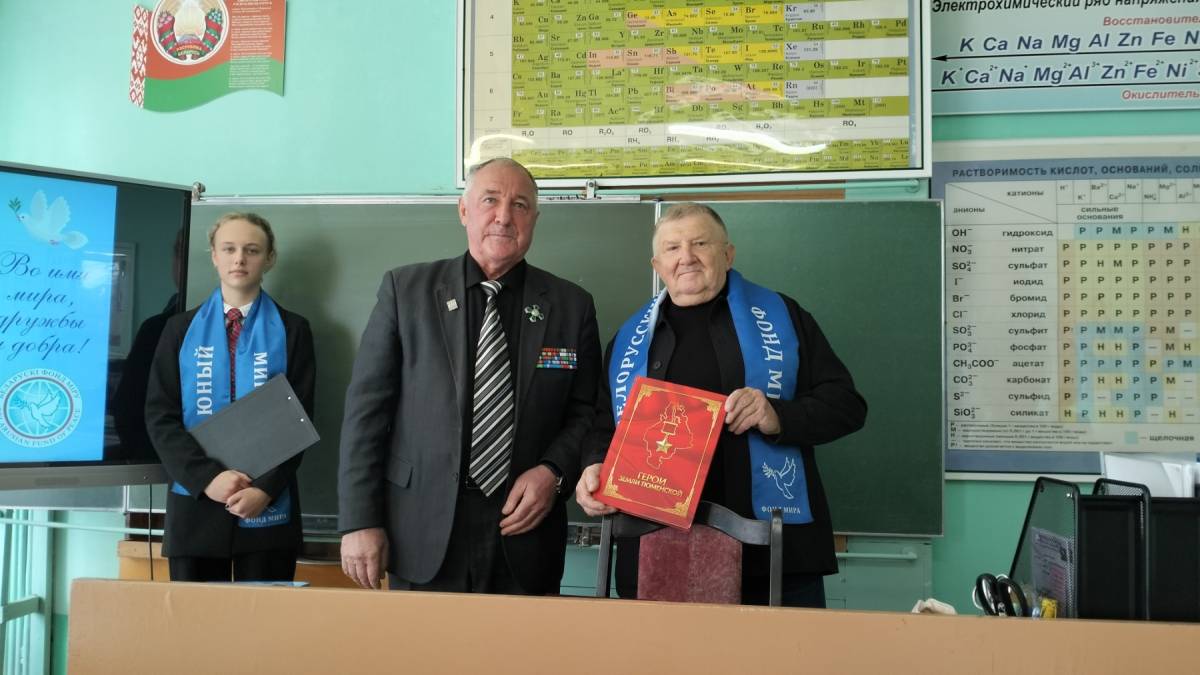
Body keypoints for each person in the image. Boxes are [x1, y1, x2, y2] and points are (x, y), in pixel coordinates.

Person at [575, 203, 867, 607]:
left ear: (728, 254)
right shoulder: (628, 340)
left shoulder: (784, 317)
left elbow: (847, 405)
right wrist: (594, 466)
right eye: (673, 248)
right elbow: (604, 425)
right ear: (658, 265)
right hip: (652, 552)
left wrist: (777, 415)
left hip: (772, 558)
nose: (686, 257)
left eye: (700, 243)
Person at [338, 158, 600, 594]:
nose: (504, 216)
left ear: (534, 219)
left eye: (520, 205)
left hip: (525, 533)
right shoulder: (406, 291)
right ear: (464, 211)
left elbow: (585, 411)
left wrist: (554, 472)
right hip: (418, 530)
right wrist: (359, 521)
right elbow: (366, 413)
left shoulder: (571, 305)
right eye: (490, 200)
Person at [146, 213, 315, 582]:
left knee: (265, 618)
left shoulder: (294, 330)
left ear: (269, 258)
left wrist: (264, 489)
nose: (239, 259)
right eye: (229, 249)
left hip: (267, 506)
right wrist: (208, 478)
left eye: (252, 250)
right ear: (214, 256)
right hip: (195, 505)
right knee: (197, 618)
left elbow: (299, 421)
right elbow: (160, 417)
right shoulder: (178, 330)